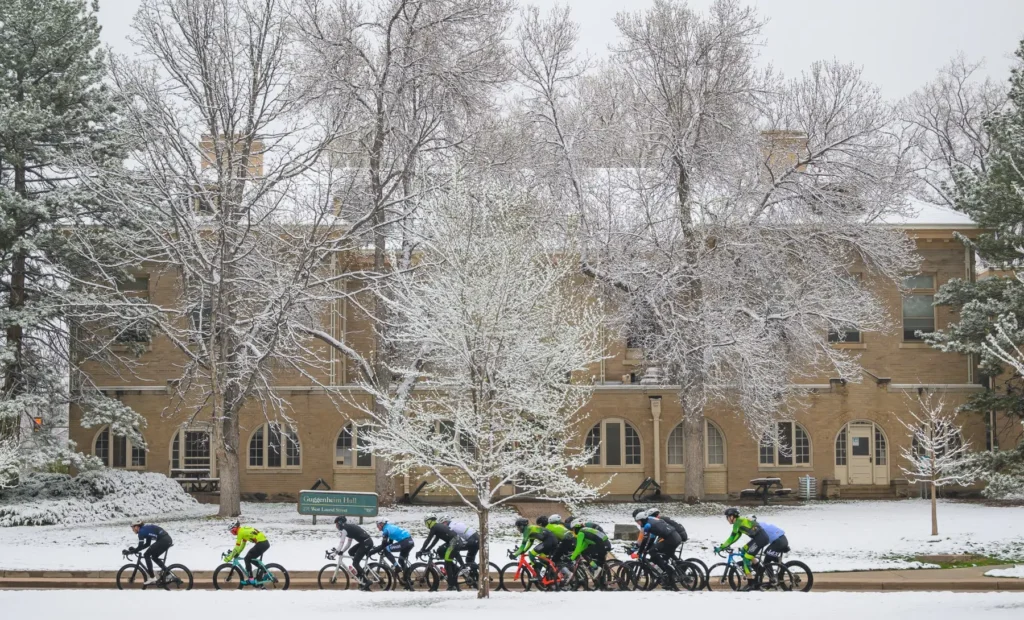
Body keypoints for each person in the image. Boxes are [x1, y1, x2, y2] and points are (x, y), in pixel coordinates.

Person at [713, 507, 777, 591]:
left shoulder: (738, 523)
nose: (727, 519)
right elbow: (734, 538)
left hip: (760, 539)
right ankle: (759, 569)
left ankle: (751, 583)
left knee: (746, 558)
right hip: (758, 538)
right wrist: (724, 546)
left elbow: (732, 538)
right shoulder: (739, 523)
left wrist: (721, 547)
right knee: (743, 550)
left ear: (732, 517)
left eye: (728, 517)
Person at [636, 510, 682, 590]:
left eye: (638, 521)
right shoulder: (651, 522)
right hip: (676, 537)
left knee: (652, 551)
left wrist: (640, 551)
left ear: (643, 520)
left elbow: (645, 540)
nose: (638, 523)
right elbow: (651, 539)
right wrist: (645, 549)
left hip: (671, 539)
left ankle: (667, 570)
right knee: (662, 554)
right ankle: (669, 577)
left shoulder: (647, 525)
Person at [420, 514, 461, 591]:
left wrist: (421, 550)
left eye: (425, 522)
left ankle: (451, 585)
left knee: (447, 562)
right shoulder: (438, 527)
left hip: (454, 542)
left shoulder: (434, 527)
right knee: (446, 559)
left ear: (429, 522)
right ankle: (454, 578)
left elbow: (428, 540)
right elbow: (435, 541)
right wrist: (428, 549)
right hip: (455, 542)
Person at [371, 518, 414, 590]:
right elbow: (390, 543)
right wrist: (380, 547)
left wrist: (372, 552)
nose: (377, 527)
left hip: (404, 542)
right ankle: (407, 581)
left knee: (386, 550)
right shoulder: (390, 527)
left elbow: (384, 545)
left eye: (378, 525)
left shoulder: (386, 530)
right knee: (401, 561)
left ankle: (396, 567)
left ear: (382, 524)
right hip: (409, 542)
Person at [126, 520, 173, 585]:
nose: (132, 530)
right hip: (166, 540)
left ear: (136, 527)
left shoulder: (141, 532)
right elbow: (147, 544)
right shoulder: (145, 530)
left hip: (163, 540)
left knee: (146, 555)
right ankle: (167, 574)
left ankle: (152, 577)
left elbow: (140, 546)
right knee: (154, 557)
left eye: (133, 527)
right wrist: (135, 550)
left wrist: (132, 551)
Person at [334, 516, 374, 591]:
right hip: (365, 542)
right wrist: (342, 551)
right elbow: (348, 543)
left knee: (355, 563)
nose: (336, 526)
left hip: (366, 543)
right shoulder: (348, 528)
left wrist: (335, 553)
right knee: (351, 552)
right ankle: (360, 572)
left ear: (340, 523)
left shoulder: (344, 530)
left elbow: (341, 543)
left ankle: (367, 580)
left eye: (336, 524)